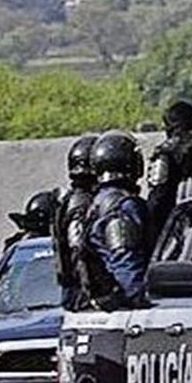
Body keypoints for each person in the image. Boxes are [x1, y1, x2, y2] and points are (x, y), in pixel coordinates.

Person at [82, 130, 150, 310]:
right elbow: (125, 259)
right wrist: (139, 304)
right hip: (124, 309)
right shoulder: (122, 206)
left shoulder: (96, 203)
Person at [53, 135, 98, 311]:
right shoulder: (80, 203)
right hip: (81, 296)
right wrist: (90, 294)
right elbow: (78, 249)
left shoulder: (74, 200)